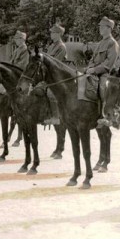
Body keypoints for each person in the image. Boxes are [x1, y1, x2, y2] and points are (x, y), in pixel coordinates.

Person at [44, 23, 67, 159]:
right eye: (51, 33)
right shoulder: (51, 46)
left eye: (53, 33)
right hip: (49, 76)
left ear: (59, 34)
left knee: (51, 93)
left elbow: (55, 64)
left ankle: (56, 116)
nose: (51, 35)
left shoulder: (61, 47)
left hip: (58, 76)